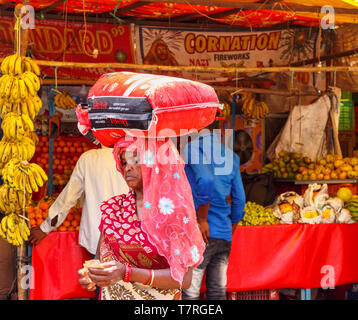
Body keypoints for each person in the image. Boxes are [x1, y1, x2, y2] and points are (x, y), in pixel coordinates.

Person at [78, 136, 206, 300]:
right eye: (124, 162)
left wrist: (127, 273)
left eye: (136, 160)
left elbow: (184, 279)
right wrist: (92, 275)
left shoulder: (174, 214)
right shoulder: (114, 209)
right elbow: (99, 260)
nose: (128, 168)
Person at [181, 121, 246, 300]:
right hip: (223, 232)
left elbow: (206, 180)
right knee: (217, 291)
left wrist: (201, 219)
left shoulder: (192, 149)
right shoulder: (231, 156)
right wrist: (231, 224)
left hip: (200, 233)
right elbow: (240, 199)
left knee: (190, 293)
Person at [29, 144, 129, 257]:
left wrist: (45, 228)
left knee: (98, 272)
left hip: (96, 240)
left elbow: (69, 197)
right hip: (129, 238)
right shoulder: (133, 158)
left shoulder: (88, 158)